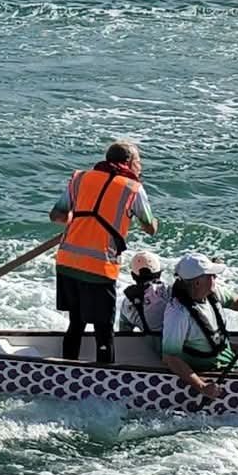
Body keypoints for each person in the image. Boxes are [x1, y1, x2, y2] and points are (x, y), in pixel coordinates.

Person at [49, 140, 159, 366]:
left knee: (76, 323)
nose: (141, 166)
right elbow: (150, 228)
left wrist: (83, 222)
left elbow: (58, 216)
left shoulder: (80, 178)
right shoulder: (133, 188)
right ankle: (104, 376)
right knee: (104, 330)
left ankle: (67, 370)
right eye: (139, 161)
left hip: (67, 260)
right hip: (100, 266)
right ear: (128, 162)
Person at [161, 254, 238, 398]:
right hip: (209, 368)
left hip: (225, 356)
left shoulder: (212, 292)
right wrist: (202, 386)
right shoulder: (178, 314)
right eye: (211, 275)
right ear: (197, 283)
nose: (215, 278)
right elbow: (170, 358)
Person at [117, 251, 168, 336]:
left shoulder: (127, 303)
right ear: (159, 273)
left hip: (149, 346)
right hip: (177, 345)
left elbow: (124, 336)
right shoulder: (170, 293)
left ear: (133, 276)